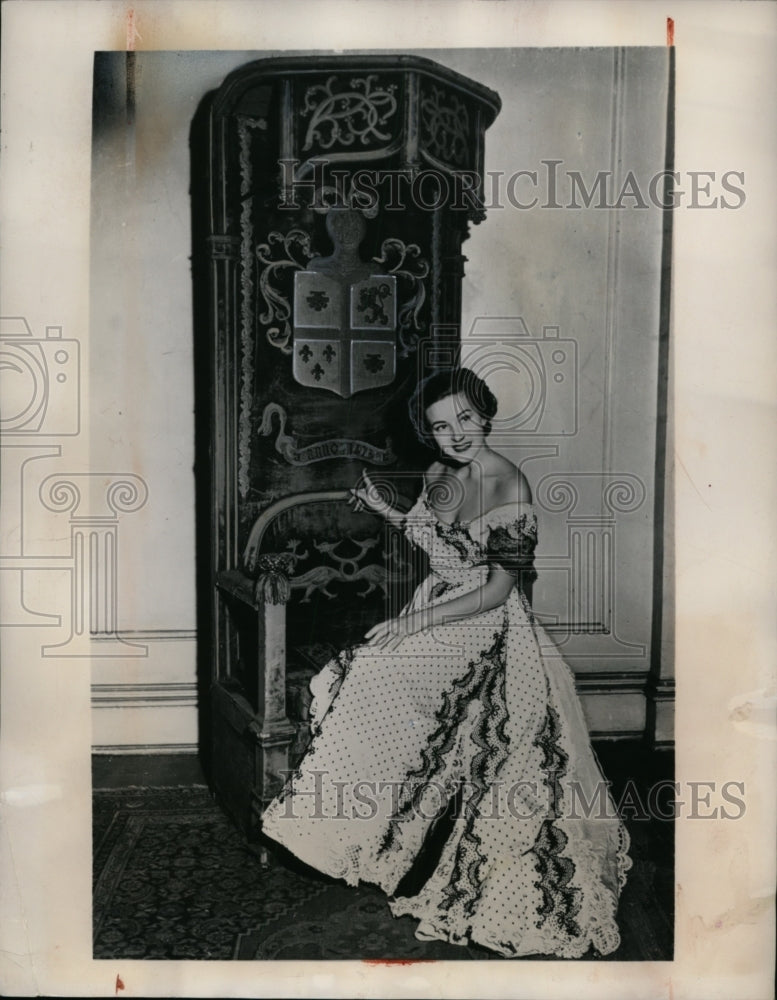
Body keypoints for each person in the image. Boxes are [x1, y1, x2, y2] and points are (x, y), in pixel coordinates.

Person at [261, 367, 631, 959]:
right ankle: (362, 838)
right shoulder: (437, 473)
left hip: (484, 623)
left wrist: (413, 623)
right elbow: (434, 539)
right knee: (368, 675)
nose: (455, 434)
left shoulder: (512, 485)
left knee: (378, 674)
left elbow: (494, 589)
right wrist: (387, 509)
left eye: (465, 418)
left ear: (485, 414)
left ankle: (391, 839)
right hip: (438, 606)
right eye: (440, 426)